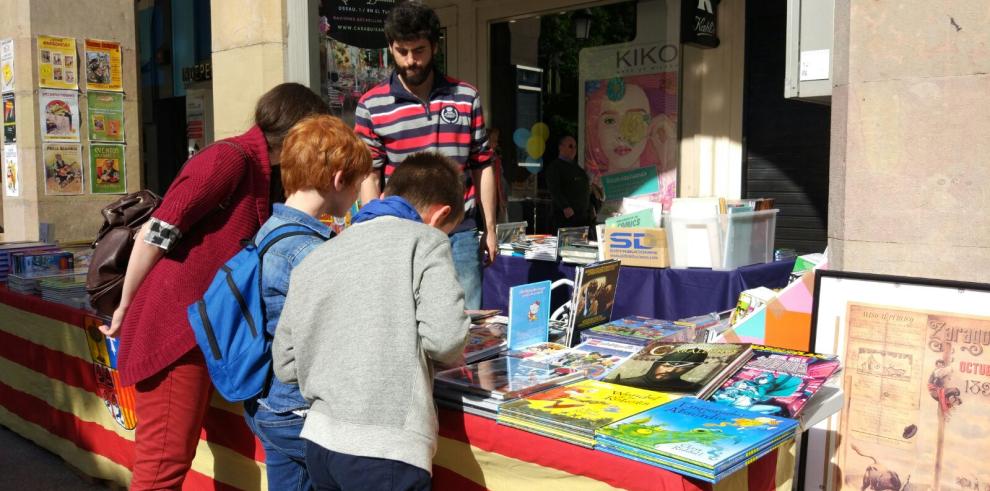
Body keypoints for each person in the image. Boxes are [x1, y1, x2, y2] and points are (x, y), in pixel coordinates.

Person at [98, 82, 331, 490]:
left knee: (171, 459)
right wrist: (125, 304)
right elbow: (155, 231)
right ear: (298, 132)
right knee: (162, 465)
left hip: (202, 328)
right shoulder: (228, 158)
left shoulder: (263, 170)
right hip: (177, 331)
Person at [273, 152, 471, 491]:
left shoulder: (319, 254)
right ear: (441, 215)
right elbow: (447, 338)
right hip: (385, 448)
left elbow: (286, 364)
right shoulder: (426, 241)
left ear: (385, 195)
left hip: (320, 442)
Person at [244, 115, 371, 491]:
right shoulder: (308, 250)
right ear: (338, 180)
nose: (357, 197)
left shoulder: (269, 229)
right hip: (300, 408)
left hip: (267, 400)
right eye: (358, 186)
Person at [355, 1, 496, 310]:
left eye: (418, 50)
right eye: (401, 51)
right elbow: (369, 173)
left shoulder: (466, 97)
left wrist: (491, 229)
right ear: (391, 47)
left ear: (434, 46)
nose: (410, 60)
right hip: (401, 235)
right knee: (407, 318)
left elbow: (482, 164)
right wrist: (373, 230)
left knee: (467, 321)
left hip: (460, 232)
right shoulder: (371, 105)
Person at [584, 75, 677, 209]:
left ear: (651, 126)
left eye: (635, 119)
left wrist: (668, 158)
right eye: (610, 121)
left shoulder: (661, 181)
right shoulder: (595, 184)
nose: (622, 135)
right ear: (596, 129)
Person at [545, 135, 591, 230]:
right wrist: (565, 206)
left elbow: (585, 188)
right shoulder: (555, 167)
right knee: (566, 244)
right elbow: (554, 189)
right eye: (570, 146)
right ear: (561, 147)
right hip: (565, 217)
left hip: (581, 216)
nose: (574, 149)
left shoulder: (578, 169)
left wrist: (590, 207)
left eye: (575, 147)